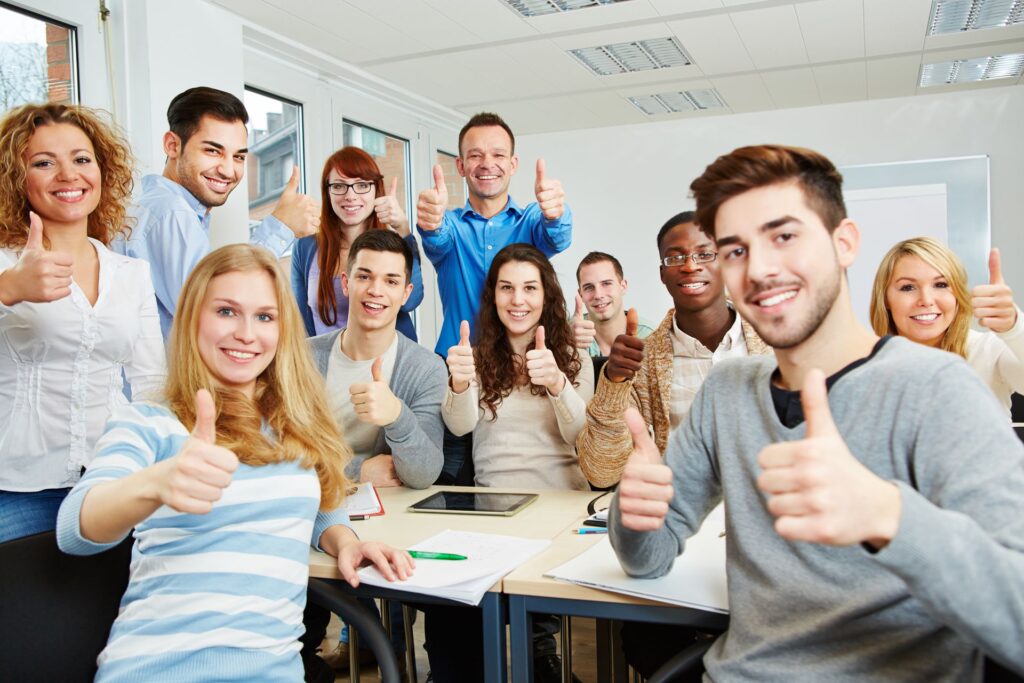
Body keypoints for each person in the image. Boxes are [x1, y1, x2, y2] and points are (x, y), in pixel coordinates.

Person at [612, 144, 1024, 680]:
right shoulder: (728, 391)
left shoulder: (937, 389)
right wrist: (634, 510)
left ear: (844, 243)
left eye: (784, 236)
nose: (759, 269)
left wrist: (888, 516)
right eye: (735, 250)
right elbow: (648, 558)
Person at [56, 244, 412, 682]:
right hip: (161, 670)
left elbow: (317, 498)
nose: (246, 333)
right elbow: (75, 527)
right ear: (193, 319)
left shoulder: (294, 425)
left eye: (264, 317)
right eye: (226, 312)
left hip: (274, 672)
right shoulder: (152, 421)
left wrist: (344, 540)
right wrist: (155, 485)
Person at [0, 103, 165, 543]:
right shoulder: (4, 265)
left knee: (105, 611)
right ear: (17, 179)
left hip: (111, 482)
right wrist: (9, 289)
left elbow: (152, 383)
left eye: (81, 159)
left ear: (101, 170)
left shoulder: (132, 274)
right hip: (17, 487)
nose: (68, 175)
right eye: (43, 162)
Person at [430, 243, 593, 683]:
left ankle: (540, 652)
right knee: (452, 613)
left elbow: (583, 438)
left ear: (546, 295)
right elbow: (459, 427)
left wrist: (559, 382)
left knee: (535, 632)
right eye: (506, 288)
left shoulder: (575, 357)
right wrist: (460, 380)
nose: (517, 300)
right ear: (493, 296)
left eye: (528, 288)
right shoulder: (477, 357)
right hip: (495, 510)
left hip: (560, 511)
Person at [303, 228, 445, 673]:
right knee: (300, 633)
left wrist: (396, 415)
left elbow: (423, 472)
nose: (375, 291)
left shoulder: (424, 368)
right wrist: (361, 468)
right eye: (364, 277)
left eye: (389, 281)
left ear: (406, 293)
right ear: (346, 283)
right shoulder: (303, 358)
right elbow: (284, 454)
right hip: (310, 516)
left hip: (387, 524)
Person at [418, 111, 573, 486]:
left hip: (516, 367)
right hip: (458, 368)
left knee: (507, 472)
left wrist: (558, 212)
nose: (487, 163)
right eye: (475, 155)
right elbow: (435, 238)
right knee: (450, 478)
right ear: (460, 165)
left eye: (498, 154)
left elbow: (557, 235)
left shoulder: (531, 221)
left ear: (513, 164)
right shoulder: (450, 225)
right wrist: (430, 222)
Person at [576, 211, 769, 490]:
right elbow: (601, 472)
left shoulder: (775, 341)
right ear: (662, 274)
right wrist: (613, 384)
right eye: (675, 258)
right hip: (683, 517)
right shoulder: (645, 361)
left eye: (704, 254)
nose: (690, 266)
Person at [114, 86, 319, 337]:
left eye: (239, 157)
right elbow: (216, 310)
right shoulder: (171, 212)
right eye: (213, 151)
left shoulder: (168, 208)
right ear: (172, 146)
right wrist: (280, 226)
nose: (228, 170)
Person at [869, 236, 1024, 414]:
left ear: (957, 295)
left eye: (941, 284)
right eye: (908, 287)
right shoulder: (866, 366)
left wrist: (1014, 328)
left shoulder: (987, 350)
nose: (926, 300)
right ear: (885, 299)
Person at [291, 146, 424, 342]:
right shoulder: (305, 247)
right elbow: (301, 324)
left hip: (390, 366)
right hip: (326, 367)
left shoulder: (393, 244)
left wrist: (403, 230)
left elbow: (411, 301)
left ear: (376, 191)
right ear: (327, 192)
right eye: (339, 186)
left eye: (362, 185)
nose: (350, 196)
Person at [571, 250, 655, 357]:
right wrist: (565, 343)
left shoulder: (651, 336)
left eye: (606, 284)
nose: (598, 295)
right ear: (580, 294)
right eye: (589, 287)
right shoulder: (569, 334)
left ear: (623, 286)